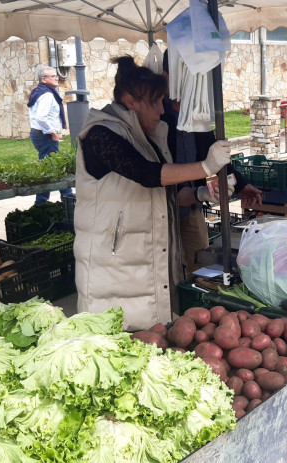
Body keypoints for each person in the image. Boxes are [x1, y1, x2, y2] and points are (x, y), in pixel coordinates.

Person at [73, 56, 232, 331]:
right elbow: (146, 174)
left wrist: (202, 194)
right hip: (113, 275)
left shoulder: (149, 138)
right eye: (156, 102)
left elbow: (166, 195)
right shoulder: (100, 134)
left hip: (150, 270)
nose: (162, 110)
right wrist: (206, 166)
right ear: (130, 100)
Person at [160, 50, 263, 277]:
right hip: (160, 212)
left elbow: (215, 157)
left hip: (192, 209)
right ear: (168, 76)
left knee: (202, 271)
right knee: (168, 274)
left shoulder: (197, 114)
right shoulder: (156, 114)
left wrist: (242, 184)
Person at [27, 66, 69, 205]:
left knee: (50, 167)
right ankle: (44, 202)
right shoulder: (47, 95)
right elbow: (40, 117)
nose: (56, 78)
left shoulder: (39, 91)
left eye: (56, 75)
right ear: (43, 79)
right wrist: (52, 132)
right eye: (52, 76)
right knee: (51, 168)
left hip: (39, 135)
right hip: (46, 137)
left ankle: (66, 196)